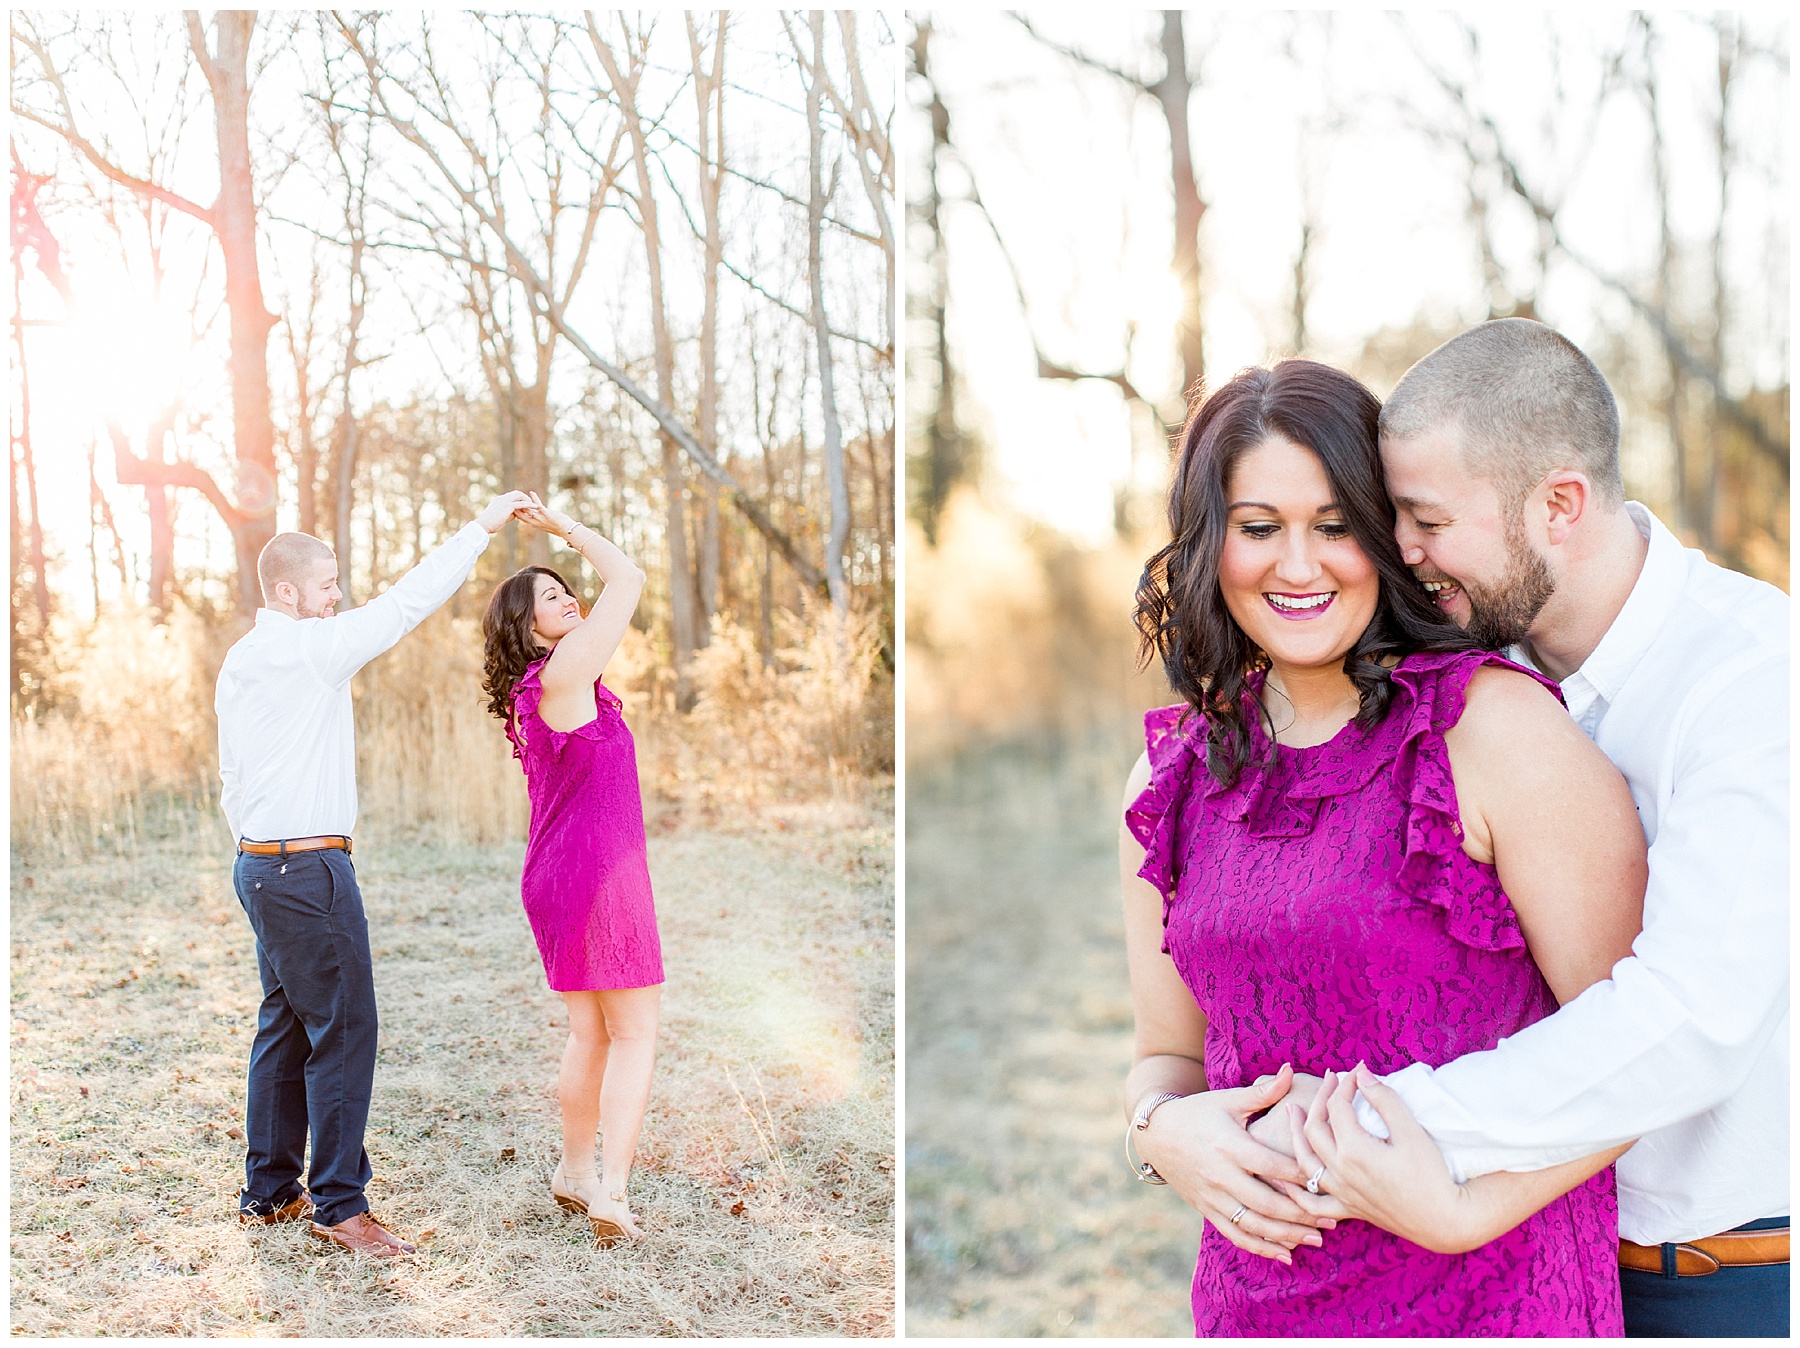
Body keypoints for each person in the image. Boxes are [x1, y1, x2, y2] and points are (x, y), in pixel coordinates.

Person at [1249, 320, 1790, 1338]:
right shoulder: (1475, 678)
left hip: (1710, 1279)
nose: (1399, 552)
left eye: (1425, 519)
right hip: (1516, 1270)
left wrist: (1364, 1128)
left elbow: (1692, 1020)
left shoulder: (1752, 678)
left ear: (1559, 505)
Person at [1120, 359, 1648, 1334]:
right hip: (1259, 1303)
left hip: (1493, 1292)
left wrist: (1458, 1213)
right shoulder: (1170, 782)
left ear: (1388, 533)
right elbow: (1165, 1056)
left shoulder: (1495, 732)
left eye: (1335, 524)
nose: (1300, 564)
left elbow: (1642, 1051)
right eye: (1259, 526)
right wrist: (1162, 1131)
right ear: (1209, 543)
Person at [217, 489, 531, 1258]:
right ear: (288, 592)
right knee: (347, 1031)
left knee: (285, 1026)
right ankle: (339, 1206)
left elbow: (230, 774)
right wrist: (480, 526)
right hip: (308, 869)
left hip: (259, 864)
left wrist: (261, 849)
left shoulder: (243, 658)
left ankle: (270, 1191)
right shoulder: (308, 647)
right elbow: (405, 605)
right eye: (327, 586)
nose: (337, 598)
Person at [480, 493, 662, 1247]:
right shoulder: (564, 673)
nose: (571, 598)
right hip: (597, 876)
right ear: (528, 631)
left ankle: (574, 1171)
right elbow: (630, 577)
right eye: (551, 598)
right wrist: (566, 531)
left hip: (556, 875)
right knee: (635, 1034)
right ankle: (611, 1193)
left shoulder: (541, 690)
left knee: (590, 1034)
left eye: (566, 588)